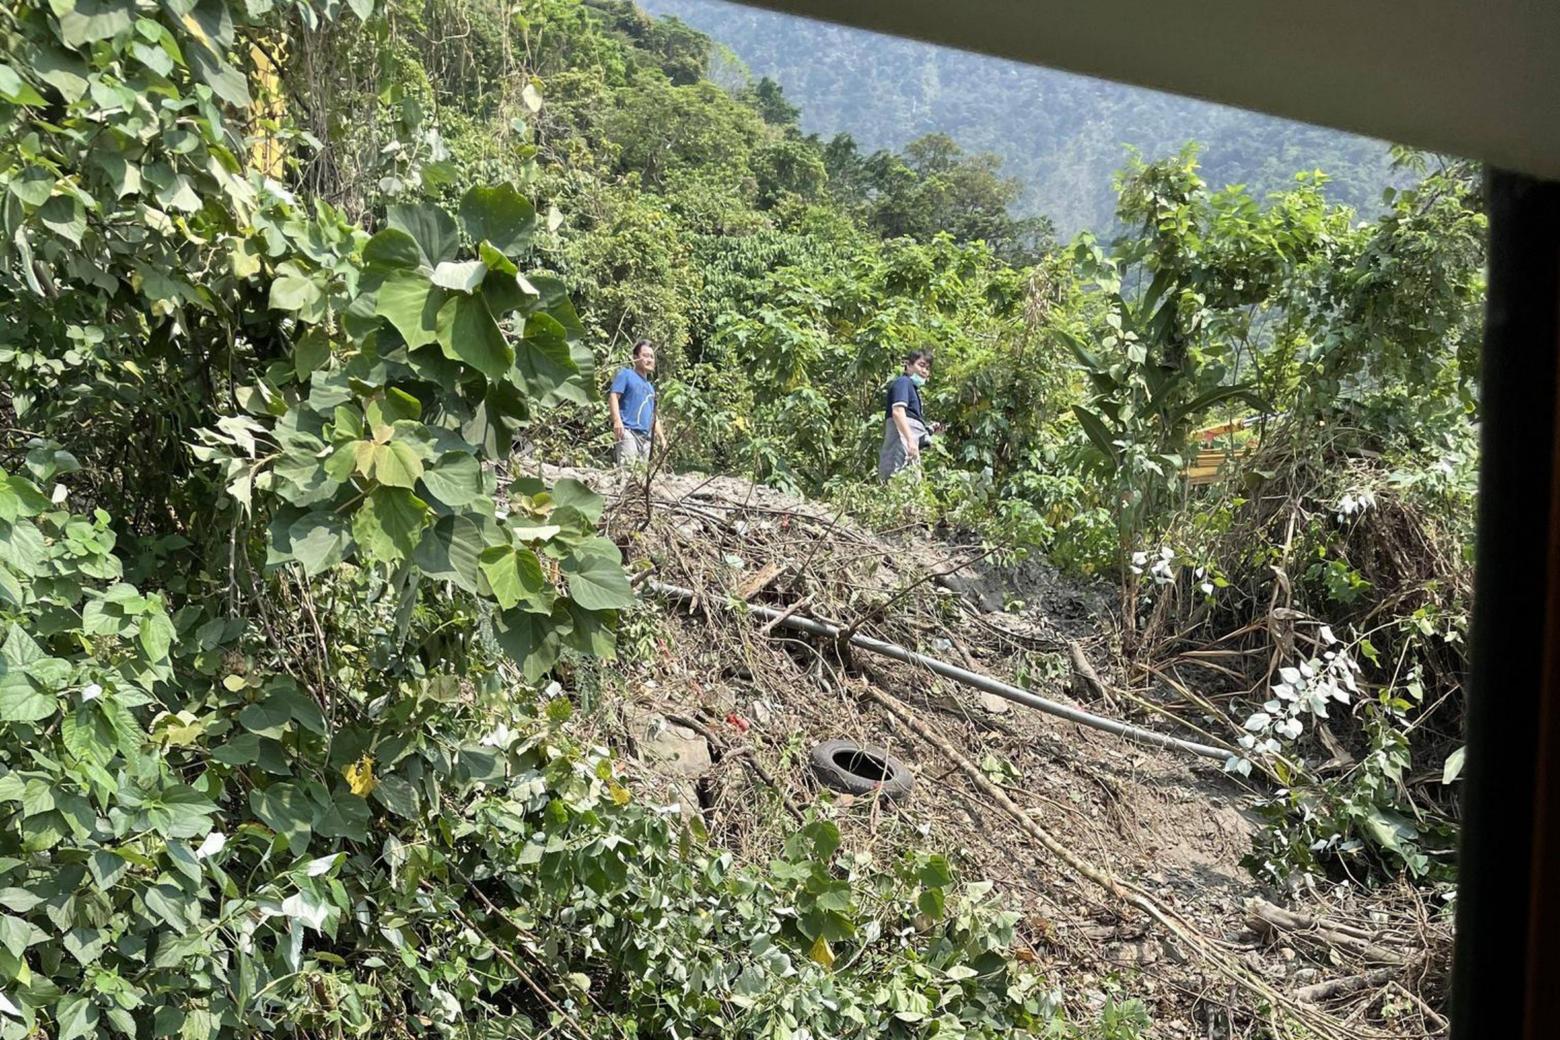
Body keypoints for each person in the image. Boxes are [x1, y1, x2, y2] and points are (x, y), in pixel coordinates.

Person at [878, 349, 938, 480]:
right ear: (909, 365)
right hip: (902, 442)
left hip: (909, 444)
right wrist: (910, 441)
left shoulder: (913, 389)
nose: (924, 371)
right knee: (896, 480)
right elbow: (898, 412)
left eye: (927, 368)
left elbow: (912, 420)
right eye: (921, 365)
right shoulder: (903, 382)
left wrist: (928, 430)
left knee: (912, 483)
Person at [609, 339, 665, 466]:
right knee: (628, 470)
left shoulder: (650, 388)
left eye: (652, 357)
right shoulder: (626, 374)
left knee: (641, 473)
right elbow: (613, 396)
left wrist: (662, 437)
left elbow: (654, 416)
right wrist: (617, 421)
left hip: (646, 438)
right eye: (645, 356)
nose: (649, 360)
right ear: (635, 358)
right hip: (628, 431)